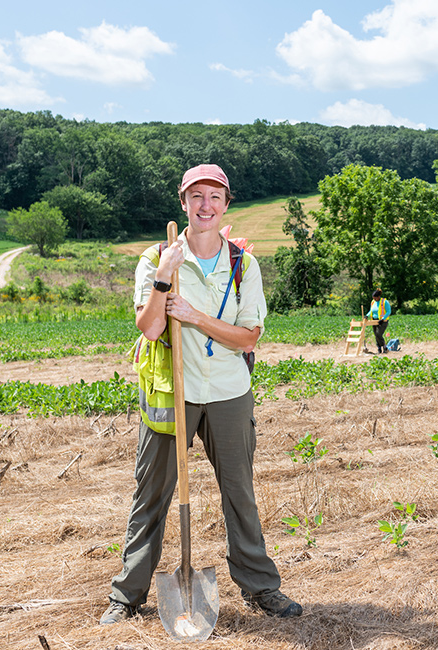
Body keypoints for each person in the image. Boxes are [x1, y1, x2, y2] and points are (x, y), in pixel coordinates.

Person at [101, 164, 302, 625]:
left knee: (239, 493)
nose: (205, 205)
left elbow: (248, 337)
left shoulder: (242, 264)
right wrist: (164, 278)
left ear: (226, 204)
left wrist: (193, 315)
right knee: (152, 493)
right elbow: (150, 327)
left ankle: (260, 587)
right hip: (175, 391)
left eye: (214, 196)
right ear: (184, 202)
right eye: (197, 197)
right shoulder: (157, 258)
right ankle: (128, 595)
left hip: (229, 392)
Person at [367, 289, 392, 354]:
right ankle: (379, 348)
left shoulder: (384, 302)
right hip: (374, 320)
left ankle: (384, 347)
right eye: (373, 298)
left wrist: (383, 319)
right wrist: (367, 315)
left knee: (379, 334)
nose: (374, 299)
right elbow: (371, 311)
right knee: (376, 335)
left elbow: (389, 311)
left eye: (375, 298)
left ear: (378, 297)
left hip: (383, 321)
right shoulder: (373, 302)